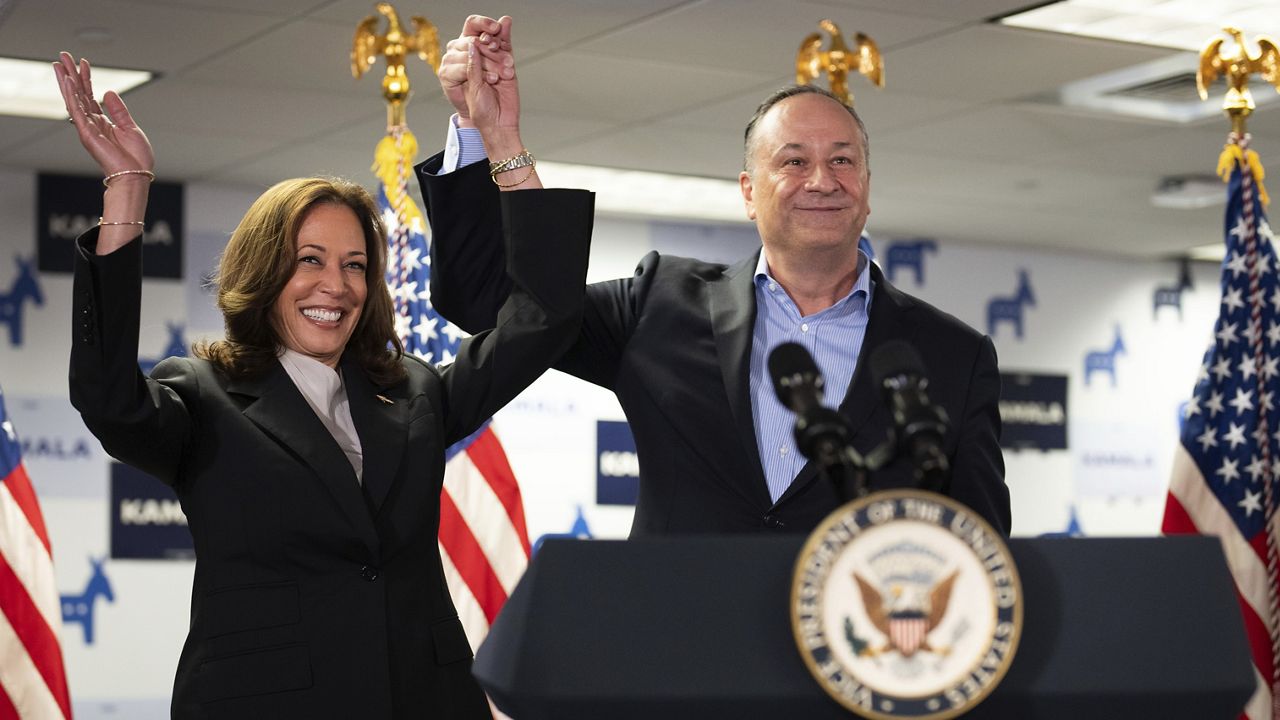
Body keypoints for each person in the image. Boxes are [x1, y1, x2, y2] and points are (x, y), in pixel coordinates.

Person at [56, 37, 591, 720]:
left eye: (355, 265)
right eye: (309, 259)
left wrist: (503, 139)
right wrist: (127, 188)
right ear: (263, 272)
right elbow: (105, 398)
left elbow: (543, 320)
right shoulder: (201, 398)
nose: (333, 286)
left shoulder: (416, 394)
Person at [421, 19, 1009, 537]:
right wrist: (494, 137)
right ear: (749, 193)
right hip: (678, 645)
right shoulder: (659, 305)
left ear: (867, 189)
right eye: (794, 161)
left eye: (842, 160)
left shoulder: (954, 357)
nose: (822, 180)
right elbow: (495, 302)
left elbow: (982, 547)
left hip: (856, 651)